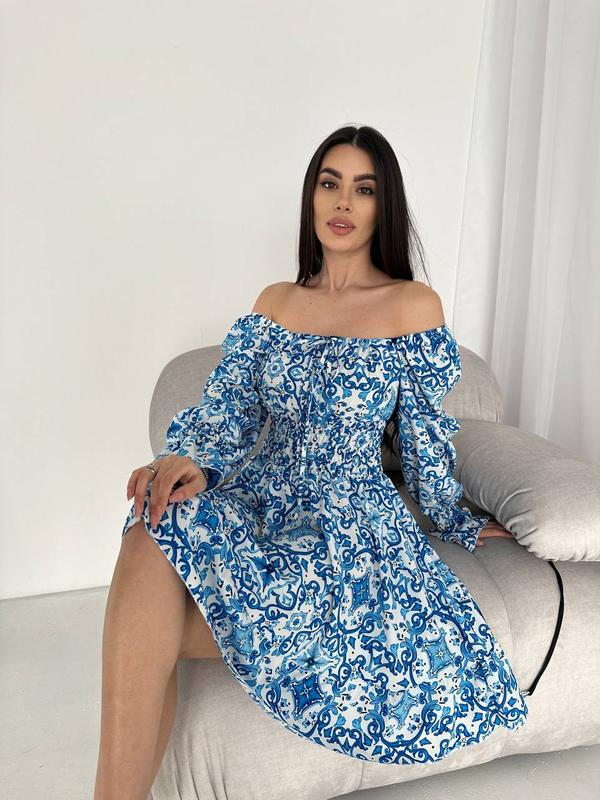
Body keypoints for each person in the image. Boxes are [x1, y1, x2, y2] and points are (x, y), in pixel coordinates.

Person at [94, 125, 525, 799]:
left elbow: (424, 441)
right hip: (258, 495)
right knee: (150, 527)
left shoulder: (411, 306)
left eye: (364, 188)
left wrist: (456, 520)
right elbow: (231, 411)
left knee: (147, 626)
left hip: (344, 519)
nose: (343, 201)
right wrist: (192, 462)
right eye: (330, 183)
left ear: (384, 207)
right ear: (312, 197)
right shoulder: (276, 303)